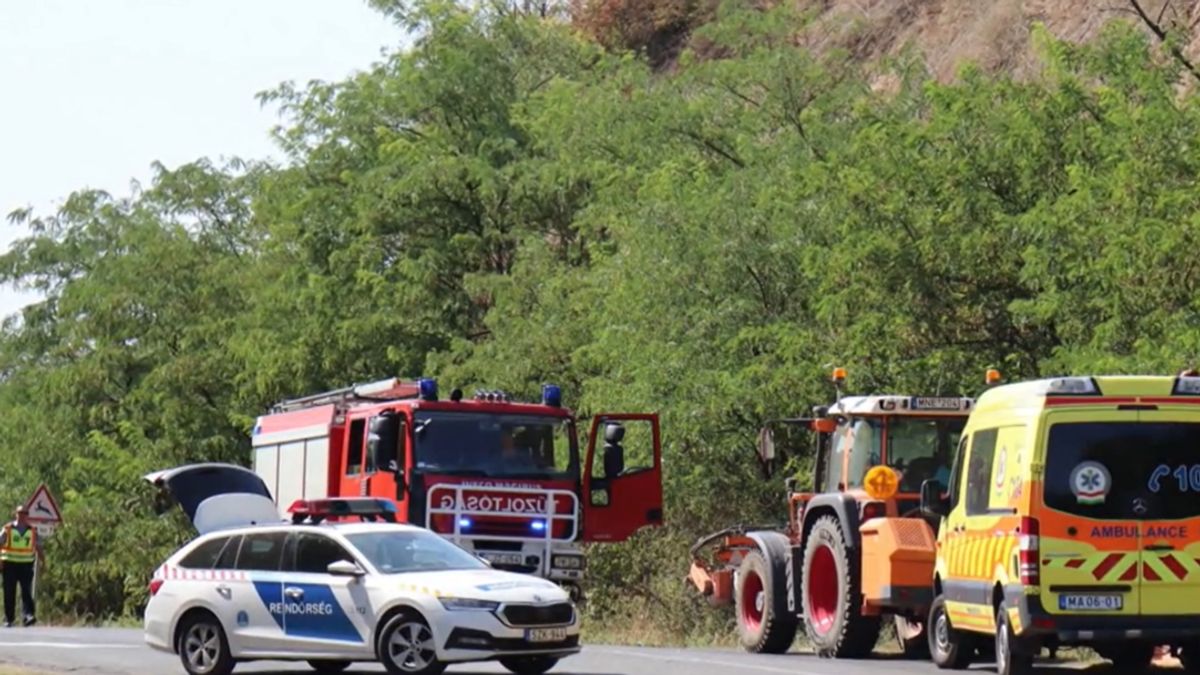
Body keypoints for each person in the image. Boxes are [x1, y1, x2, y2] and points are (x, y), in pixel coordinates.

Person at [1, 505, 44, 627]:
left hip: (25, 565)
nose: (22, 515)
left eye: (25, 513)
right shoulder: (7, 529)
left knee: (26, 591)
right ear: (16, 514)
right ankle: (9, 619)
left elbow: (38, 547)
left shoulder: (32, 531)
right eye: (20, 513)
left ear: (27, 515)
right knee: (9, 592)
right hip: (9, 565)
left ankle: (28, 616)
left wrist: (43, 562)